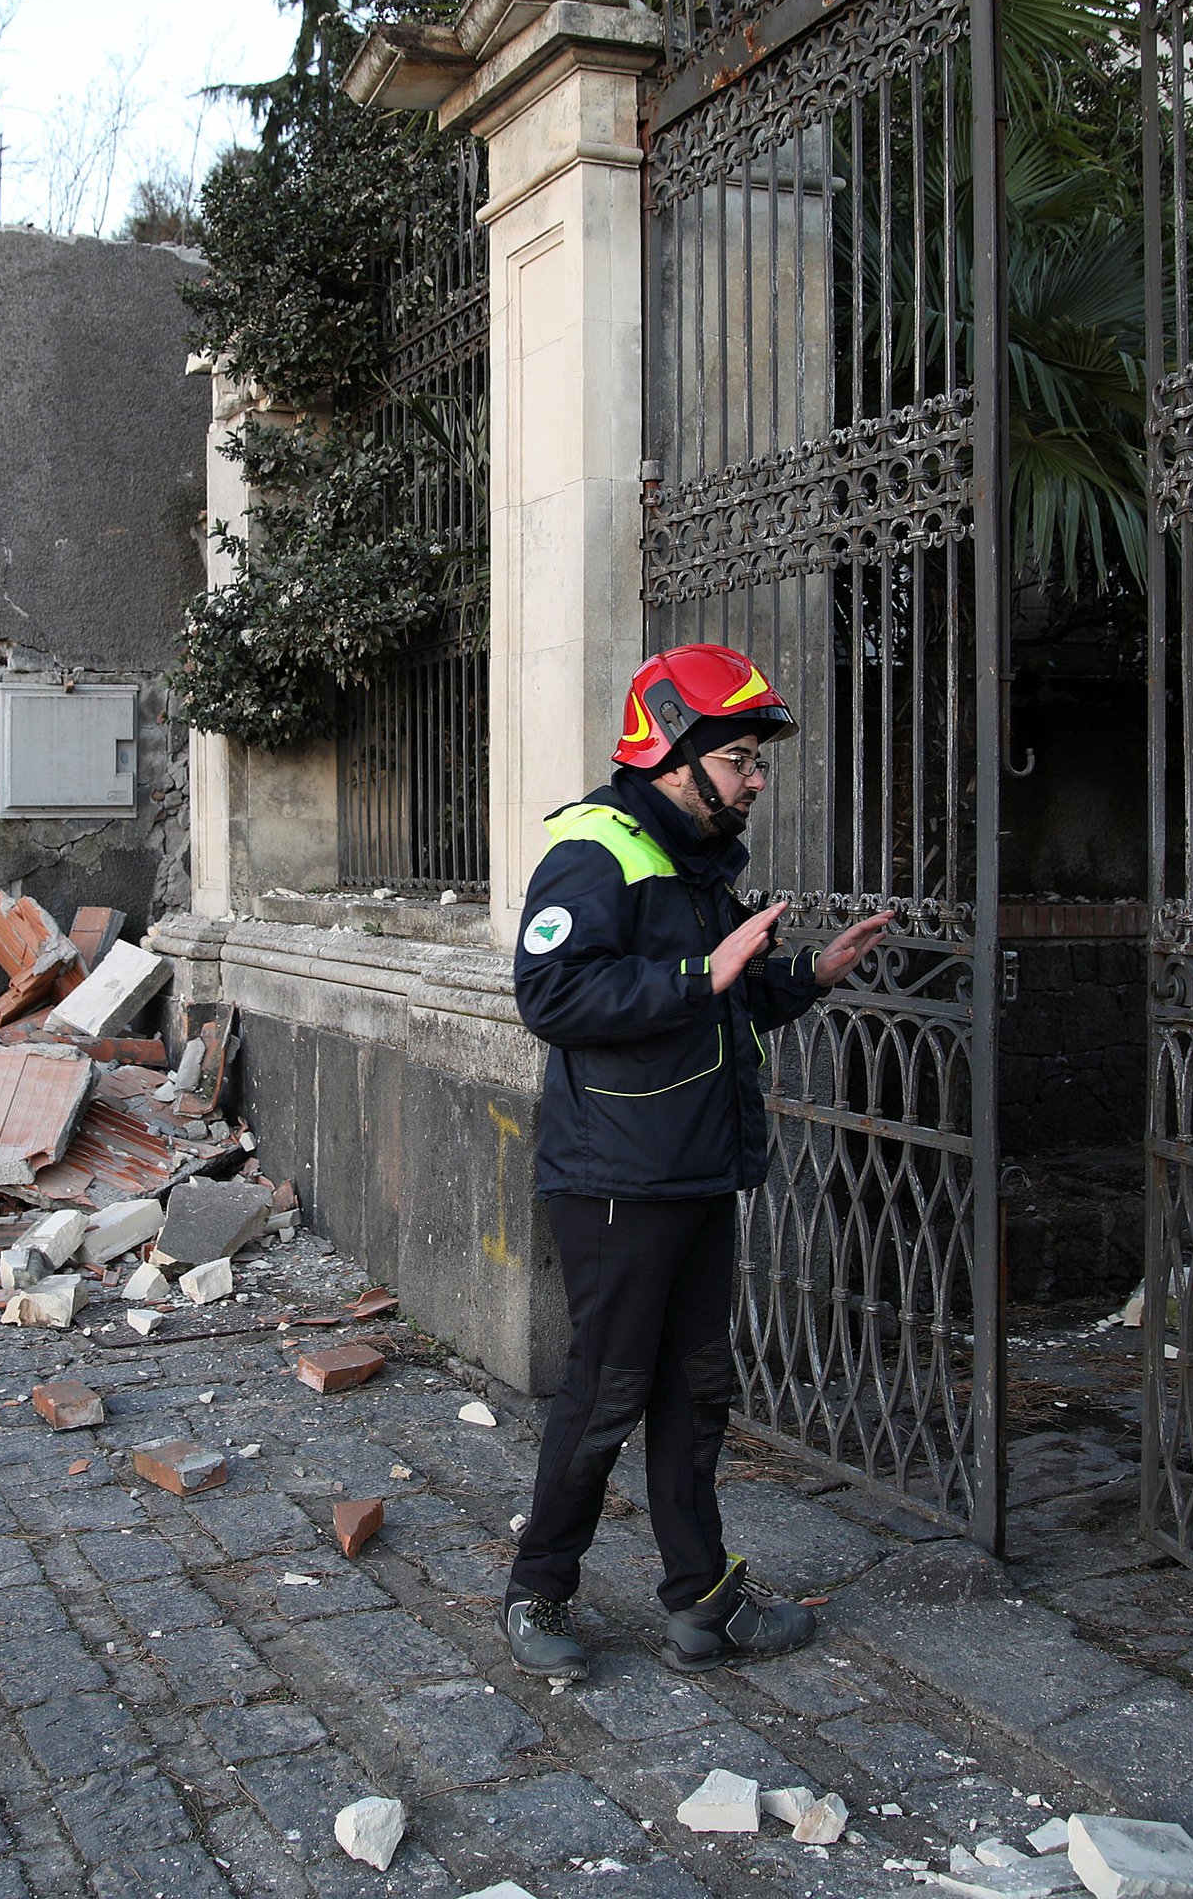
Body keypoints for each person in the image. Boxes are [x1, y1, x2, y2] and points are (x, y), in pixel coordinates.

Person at [499, 643, 895, 1681]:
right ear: (672, 752)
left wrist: (808, 974)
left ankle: (703, 1600)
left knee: (696, 1389)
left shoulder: (698, 859)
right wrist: (698, 970)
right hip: (615, 1178)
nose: (756, 777)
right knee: (608, 1389)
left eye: (756, 758)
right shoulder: (597, 853)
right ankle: (539, 1590)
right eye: (738, 757)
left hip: (695, 1166)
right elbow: (551, 998)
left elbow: (727, 1000)